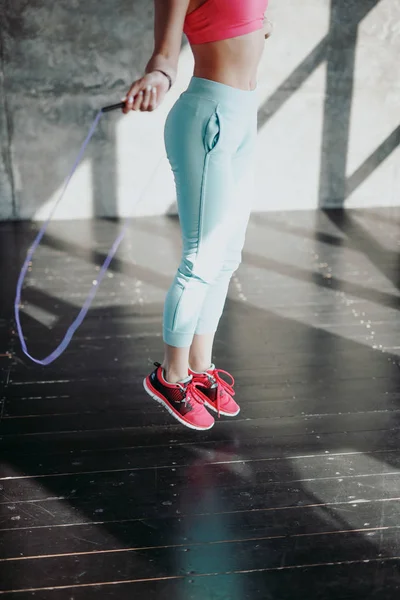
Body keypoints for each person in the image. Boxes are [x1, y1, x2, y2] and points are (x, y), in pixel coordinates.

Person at [123, 0, 270, 431]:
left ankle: (200, 368)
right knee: (202, 259)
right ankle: (170, 377)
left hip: (243, 116)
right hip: (209, 118)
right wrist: (157, 76)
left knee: (226, 259)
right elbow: (165, 55)